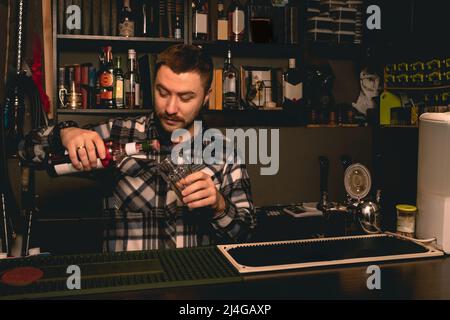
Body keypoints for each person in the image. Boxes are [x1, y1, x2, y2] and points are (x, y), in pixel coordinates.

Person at [19, 44, 256, 252]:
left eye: (185, 98)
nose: (171, 108)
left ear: (206, 97)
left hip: (192, 282)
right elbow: (24, 150)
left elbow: (246, 236)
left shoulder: (225, 153)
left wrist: (219, 205)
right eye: (163, 92)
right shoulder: (118, 133)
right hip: (126, 283)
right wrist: (65, 133)